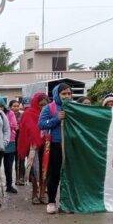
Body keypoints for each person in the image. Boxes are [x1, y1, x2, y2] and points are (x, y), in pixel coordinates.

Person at [38, 83, 73, 214]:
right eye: (64, 94)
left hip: (71, 145)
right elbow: (41, 124)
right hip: (55, 145)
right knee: (55, 174)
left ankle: (67, 202)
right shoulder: (49, 108)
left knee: (69, 175)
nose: (67, 96)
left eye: (69, 94)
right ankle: (51, 201)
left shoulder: (75, 107)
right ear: (57, 94)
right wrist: (56, 119)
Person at [18, 92, 49, 205]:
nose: (43, 107)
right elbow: (25, 130)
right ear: (35, 103)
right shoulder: (28, 113)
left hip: (47, 146)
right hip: (33, 147)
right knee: (35, 171)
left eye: (45, 105)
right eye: (40, 104)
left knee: (45, 170)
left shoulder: (49, 113)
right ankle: (34, 194)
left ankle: (42, 194)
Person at [2, 99, 19, 194]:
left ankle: (9, 185)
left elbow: (14, 125)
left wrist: (4, 124)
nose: (0, 108)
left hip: (10, 141)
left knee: (8, 166)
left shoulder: (10, 113)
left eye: (1, 105)